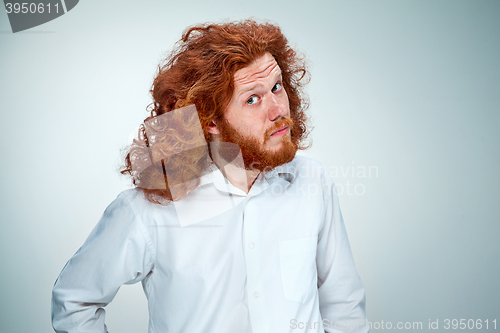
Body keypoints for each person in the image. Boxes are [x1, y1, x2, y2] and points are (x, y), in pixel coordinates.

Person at [51, 20, 368, 333]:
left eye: (276, 87)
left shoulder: (313, 181)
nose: (277, 110)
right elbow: (75, 304)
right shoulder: (153, 207)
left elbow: (343, 307)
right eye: (252, 99)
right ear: (211, 120)